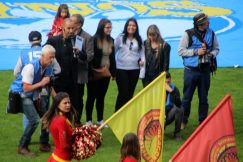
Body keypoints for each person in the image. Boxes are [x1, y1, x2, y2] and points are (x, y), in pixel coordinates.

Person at [13, 31, 60, 152]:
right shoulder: (30, 67)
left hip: (35, 94)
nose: (52, 60)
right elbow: (25, 88)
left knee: (46, 117)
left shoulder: (48, 67)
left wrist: (58, 100)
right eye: (51, 57)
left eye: (53, 57)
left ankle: (44, 144)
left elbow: (49, 86)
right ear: (42, 56)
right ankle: (22, 146)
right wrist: (41, 83)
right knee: (34, 120)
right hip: (22, 94)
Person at [178, 13, 219, 129]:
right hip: (190, 71)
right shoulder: (188, 34)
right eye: (206, 21)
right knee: (186, 98)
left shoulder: (212, 33)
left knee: (203, 98)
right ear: (199, 24)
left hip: (205, 71)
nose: (208, 23)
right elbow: (180, 51)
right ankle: (183, 121)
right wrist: (196, 52)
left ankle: (203, 123)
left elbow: (216, 48)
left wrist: (212, 54)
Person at [85, 18, 116, 126]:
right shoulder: (93, 39)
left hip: (106, 73)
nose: (109, 29)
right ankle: (88, 120)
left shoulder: (111, 40)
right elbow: (90, 57)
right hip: (94, 73)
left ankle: (100, 119)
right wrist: (91, 71)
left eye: (110, 27)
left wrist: (113, 73)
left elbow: (112, 58)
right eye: (107, 27)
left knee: (101, 97)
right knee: (91, 97)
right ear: (101, 27)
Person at [114, 17, 145, 112]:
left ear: (136, 27)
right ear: (126, 26)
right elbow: (113, 52)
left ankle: (127, 116)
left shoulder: (139, 39)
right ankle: (117, 114)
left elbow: (142, 54)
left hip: (134, 69)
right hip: (121, 69)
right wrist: (113, 69)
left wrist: (142, 62)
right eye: (130, 25)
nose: (131, 27)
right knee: (123, 93)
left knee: (130, 93)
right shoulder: (120, 38)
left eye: (134, 25)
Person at [70, 14, 94, 125]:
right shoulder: (66, 34)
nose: (69, 22)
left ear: (78, 25)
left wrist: (80, 54)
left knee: (78, 98)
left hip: (79, 74)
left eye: (72, 21)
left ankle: (77, 121)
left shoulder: (87, 37)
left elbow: (90, 56)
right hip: (67, 73)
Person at [42, 92, 76, 162]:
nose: (68, 105)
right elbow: (63, 144)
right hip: (61, 159)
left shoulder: (57, 117)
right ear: (57, 105)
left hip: (57, 157)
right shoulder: (61, 120)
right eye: (65, 103)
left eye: (69, 102)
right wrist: (76, 147)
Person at [45, 18, 75, 96]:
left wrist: (80, 53)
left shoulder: (77, 40)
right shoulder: (53, 40)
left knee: (74, 104)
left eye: (72, 28)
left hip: (73, 81)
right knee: (59, 104)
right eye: (68, 28)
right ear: (62, 28)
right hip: (58, 80)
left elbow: (84, 57)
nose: (71, 31)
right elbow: (43, 51)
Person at [164, 72, 183, 140]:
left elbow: (179, 104)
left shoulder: (174, 89)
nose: (167, 85)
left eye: (168, 82)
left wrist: (172, 92)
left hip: (168, 115)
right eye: (165, 82)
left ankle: (177, 133)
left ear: (171, 79)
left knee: (179, 109)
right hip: (158, 116)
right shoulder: (156, 90)